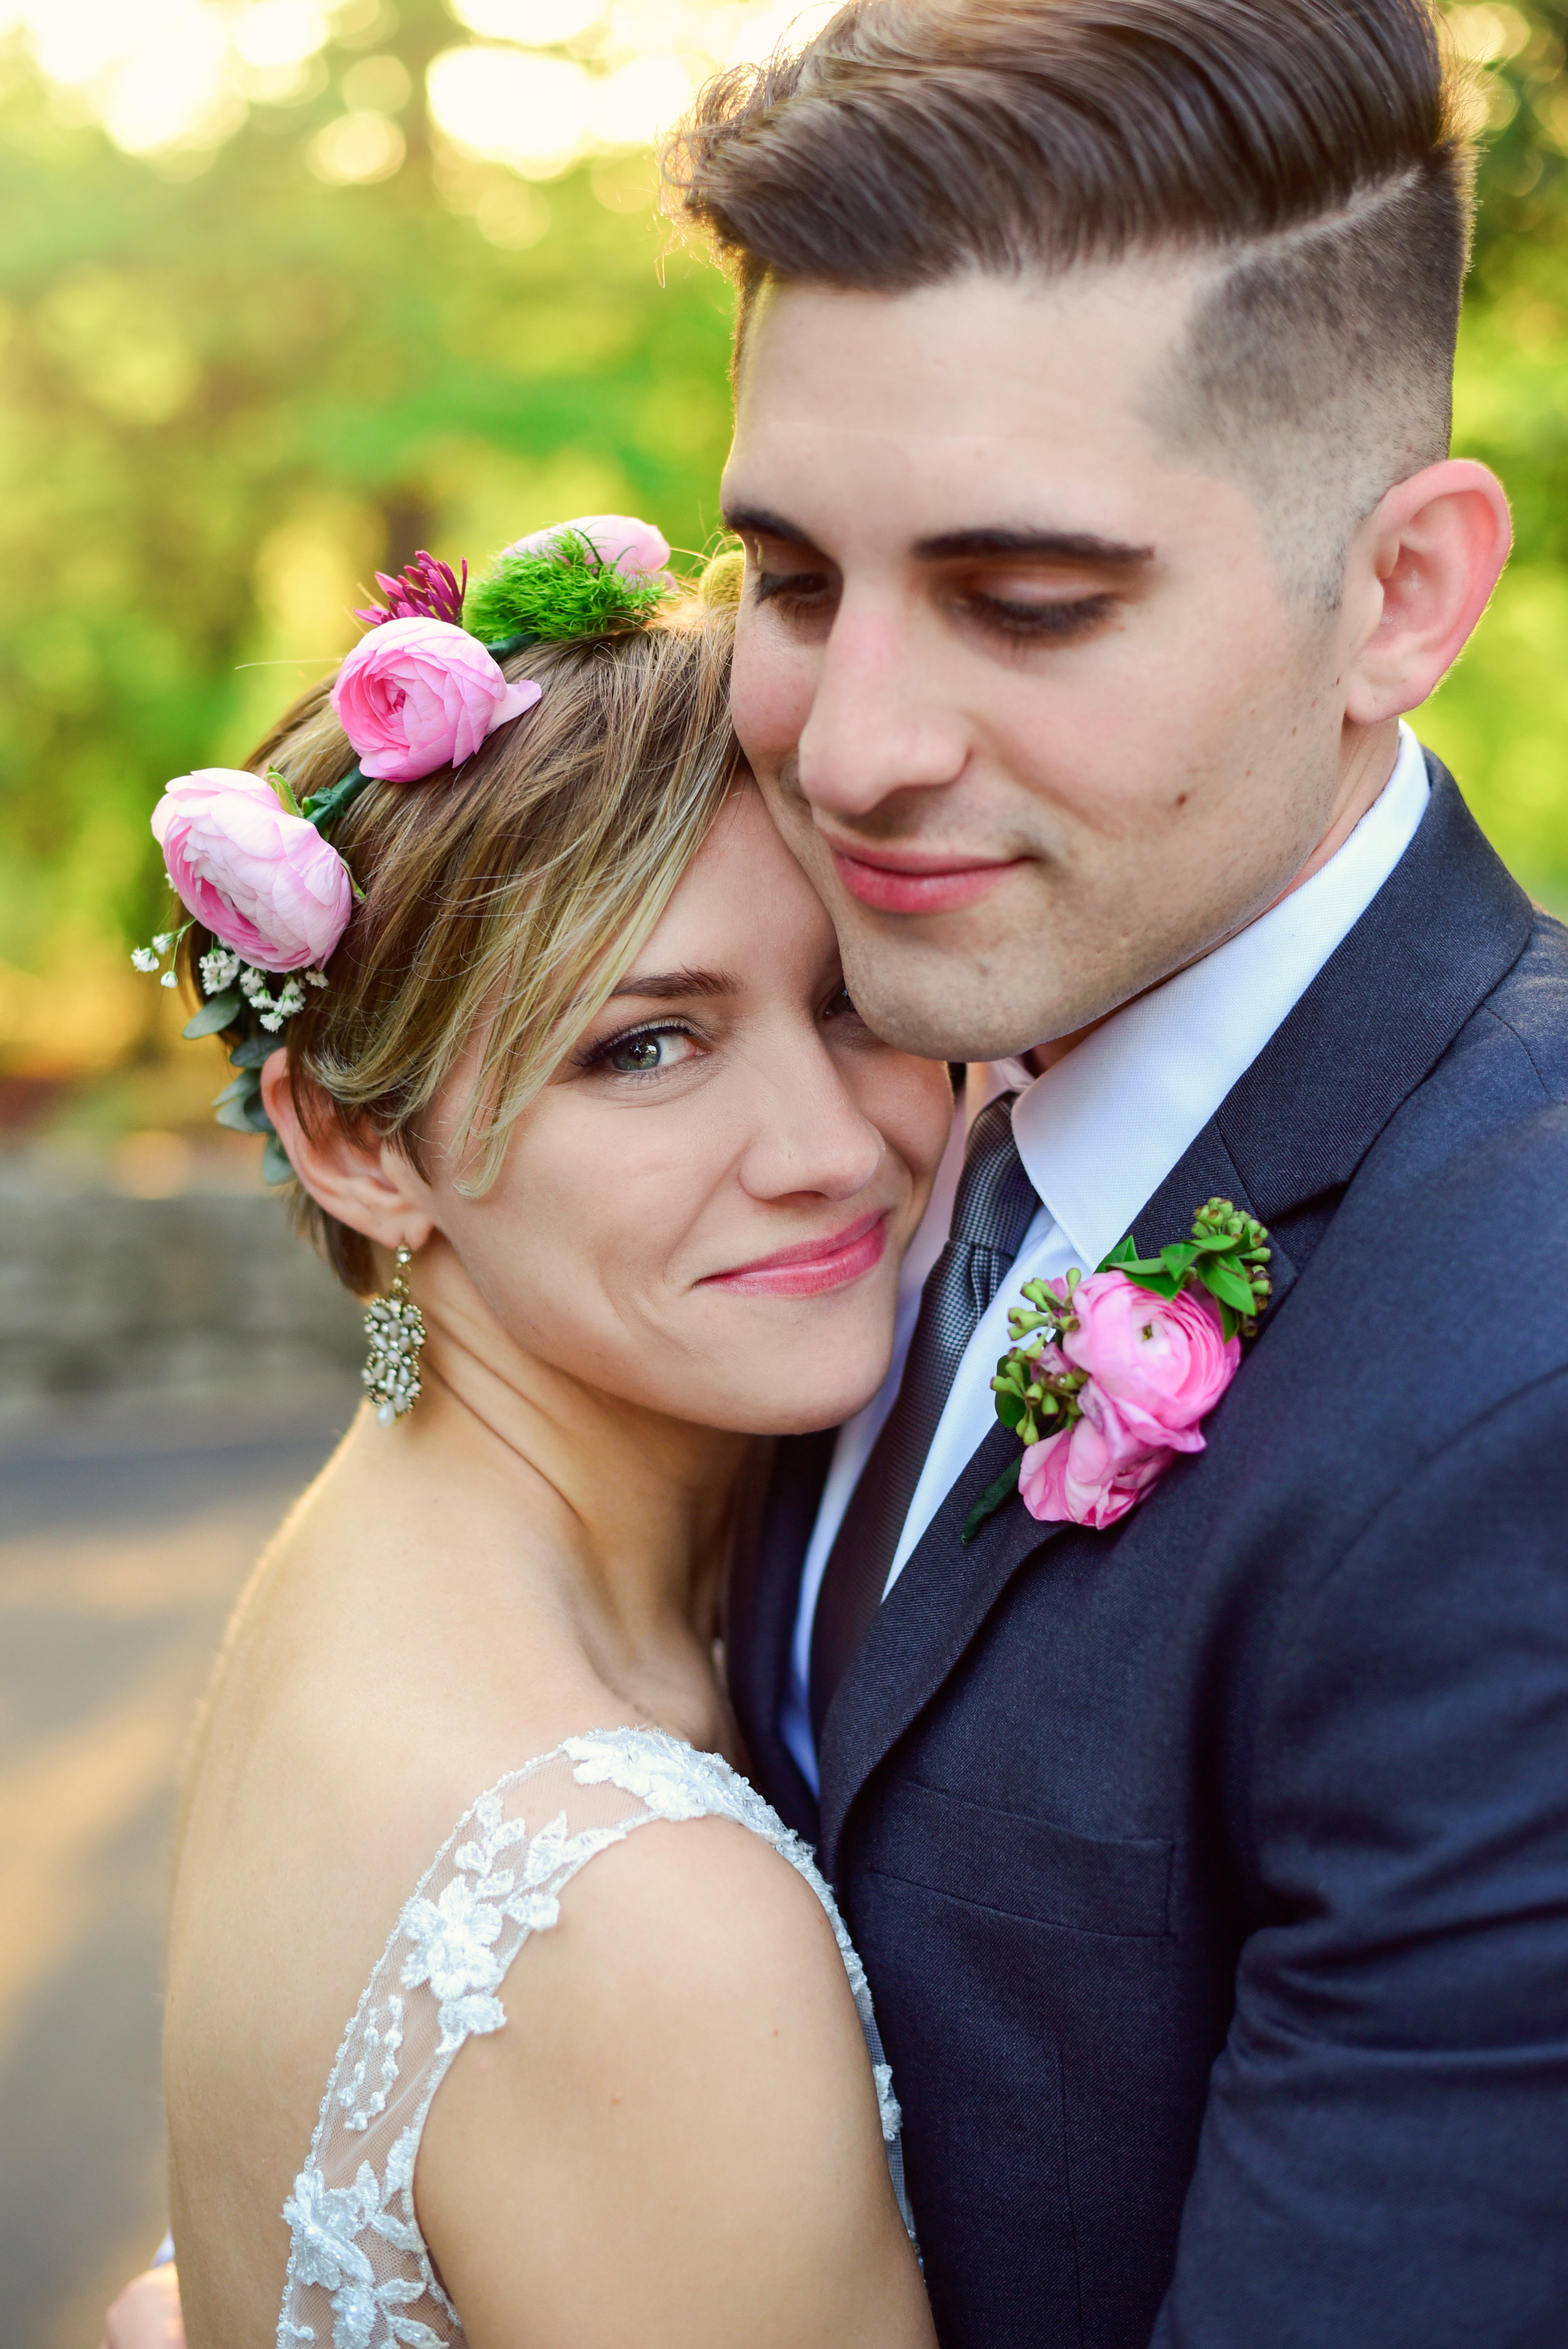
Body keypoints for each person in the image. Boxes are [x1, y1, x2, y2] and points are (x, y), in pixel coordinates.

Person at [664, 0, 1568, 2341]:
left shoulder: (1529, 1382)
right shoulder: (843, 1106)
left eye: (1028, 602)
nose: (850, 747)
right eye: (785, 578)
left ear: (1400, 595)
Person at [110, 536, 946, 2348]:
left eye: (853, 999)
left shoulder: (369, 1553)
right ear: (353, 1142)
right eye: (646, 1046)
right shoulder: (632, 1916)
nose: (825, 1142)